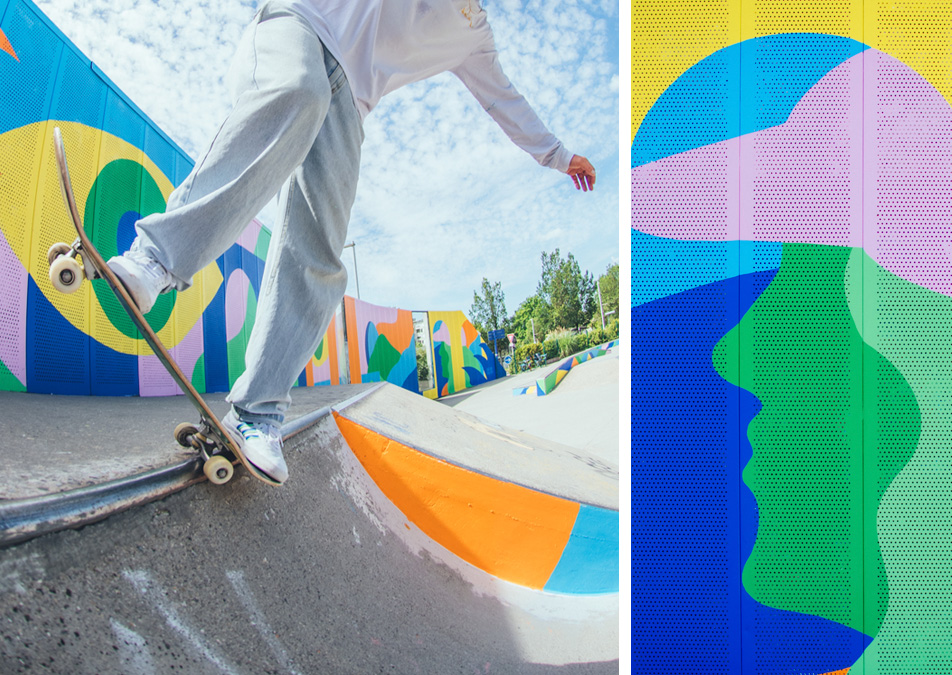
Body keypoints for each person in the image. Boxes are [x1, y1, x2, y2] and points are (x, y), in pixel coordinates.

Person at [106, 0, 597, 485]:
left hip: (349, 102)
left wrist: (559, 155)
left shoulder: (472, 32)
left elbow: (502, 99)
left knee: (320, 249)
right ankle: (155, 258)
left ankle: (257, 413)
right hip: (296, 26)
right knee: (301, 90)